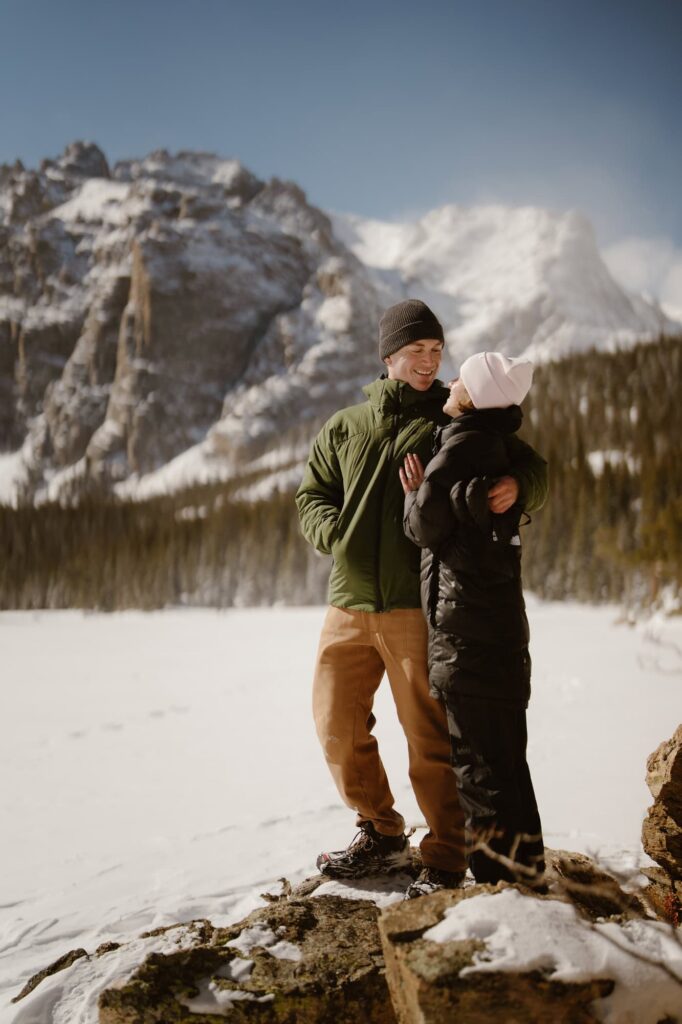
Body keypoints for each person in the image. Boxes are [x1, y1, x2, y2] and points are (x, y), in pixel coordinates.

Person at [295, 300, 548, 897]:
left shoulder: (454, 417)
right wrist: (330, 531)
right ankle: (381, 831)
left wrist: (521, 486)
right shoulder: (344, 425)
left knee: (429, 737)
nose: (430, 362)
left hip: (415, 605)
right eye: (418, 352)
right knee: (336, 724)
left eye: (437, 352)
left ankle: (444, 852)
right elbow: (312, 495)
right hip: (347, 602)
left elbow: (530, 464)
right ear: (389, 357)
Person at [401, 351, 545, 889]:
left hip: (465, 633)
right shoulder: (493, 440)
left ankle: (498, 888)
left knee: (478, 768)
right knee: (508, 763)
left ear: (474, 394)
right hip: (499, 629)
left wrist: (414, 491)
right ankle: (525, 874)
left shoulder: (461, 444)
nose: (451, 379)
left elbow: (423, 526)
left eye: (461, 376)